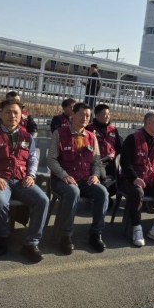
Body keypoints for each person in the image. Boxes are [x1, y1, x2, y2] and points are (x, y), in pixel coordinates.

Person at [0, 99, 49, 262]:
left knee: (42, 200)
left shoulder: (27, 136)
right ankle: (2, 235)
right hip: (0, 179)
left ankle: (31, 243)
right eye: (8, 112)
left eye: (16, 112)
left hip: (21, 180)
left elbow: (33, 158)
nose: (12, 115)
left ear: (21, 115)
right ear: (1, 114)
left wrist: (31, 175)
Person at [47, 102, 109, 254]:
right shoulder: (59, 133)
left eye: (88, 116)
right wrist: (64, 175)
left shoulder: (91, 136)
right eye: (81, 115)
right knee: (73, 192)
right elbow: (51, 160)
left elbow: (96, 161)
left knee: (102, 192)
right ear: (73, 115)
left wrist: (95, 175)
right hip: (62, 180)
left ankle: (96, 234)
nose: (85, 118)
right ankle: (65, 235)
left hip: (85, 179)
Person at [118, 111, 154, 246]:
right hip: (129, 181)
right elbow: (125, 163)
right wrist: (134, 178)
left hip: (151, 181)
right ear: (149, 123)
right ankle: (137, 228)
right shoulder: (133, 138)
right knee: (137, 192)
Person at [86, 103, 123, 184]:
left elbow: (119, 147)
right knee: (102, 177)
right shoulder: (89, 129)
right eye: (104, 114)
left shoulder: (113, 129)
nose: (107, 117)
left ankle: (112, 191)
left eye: (108, 114)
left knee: (123, 176)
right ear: (97, 115)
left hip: (112, 161)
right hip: (99, 161)